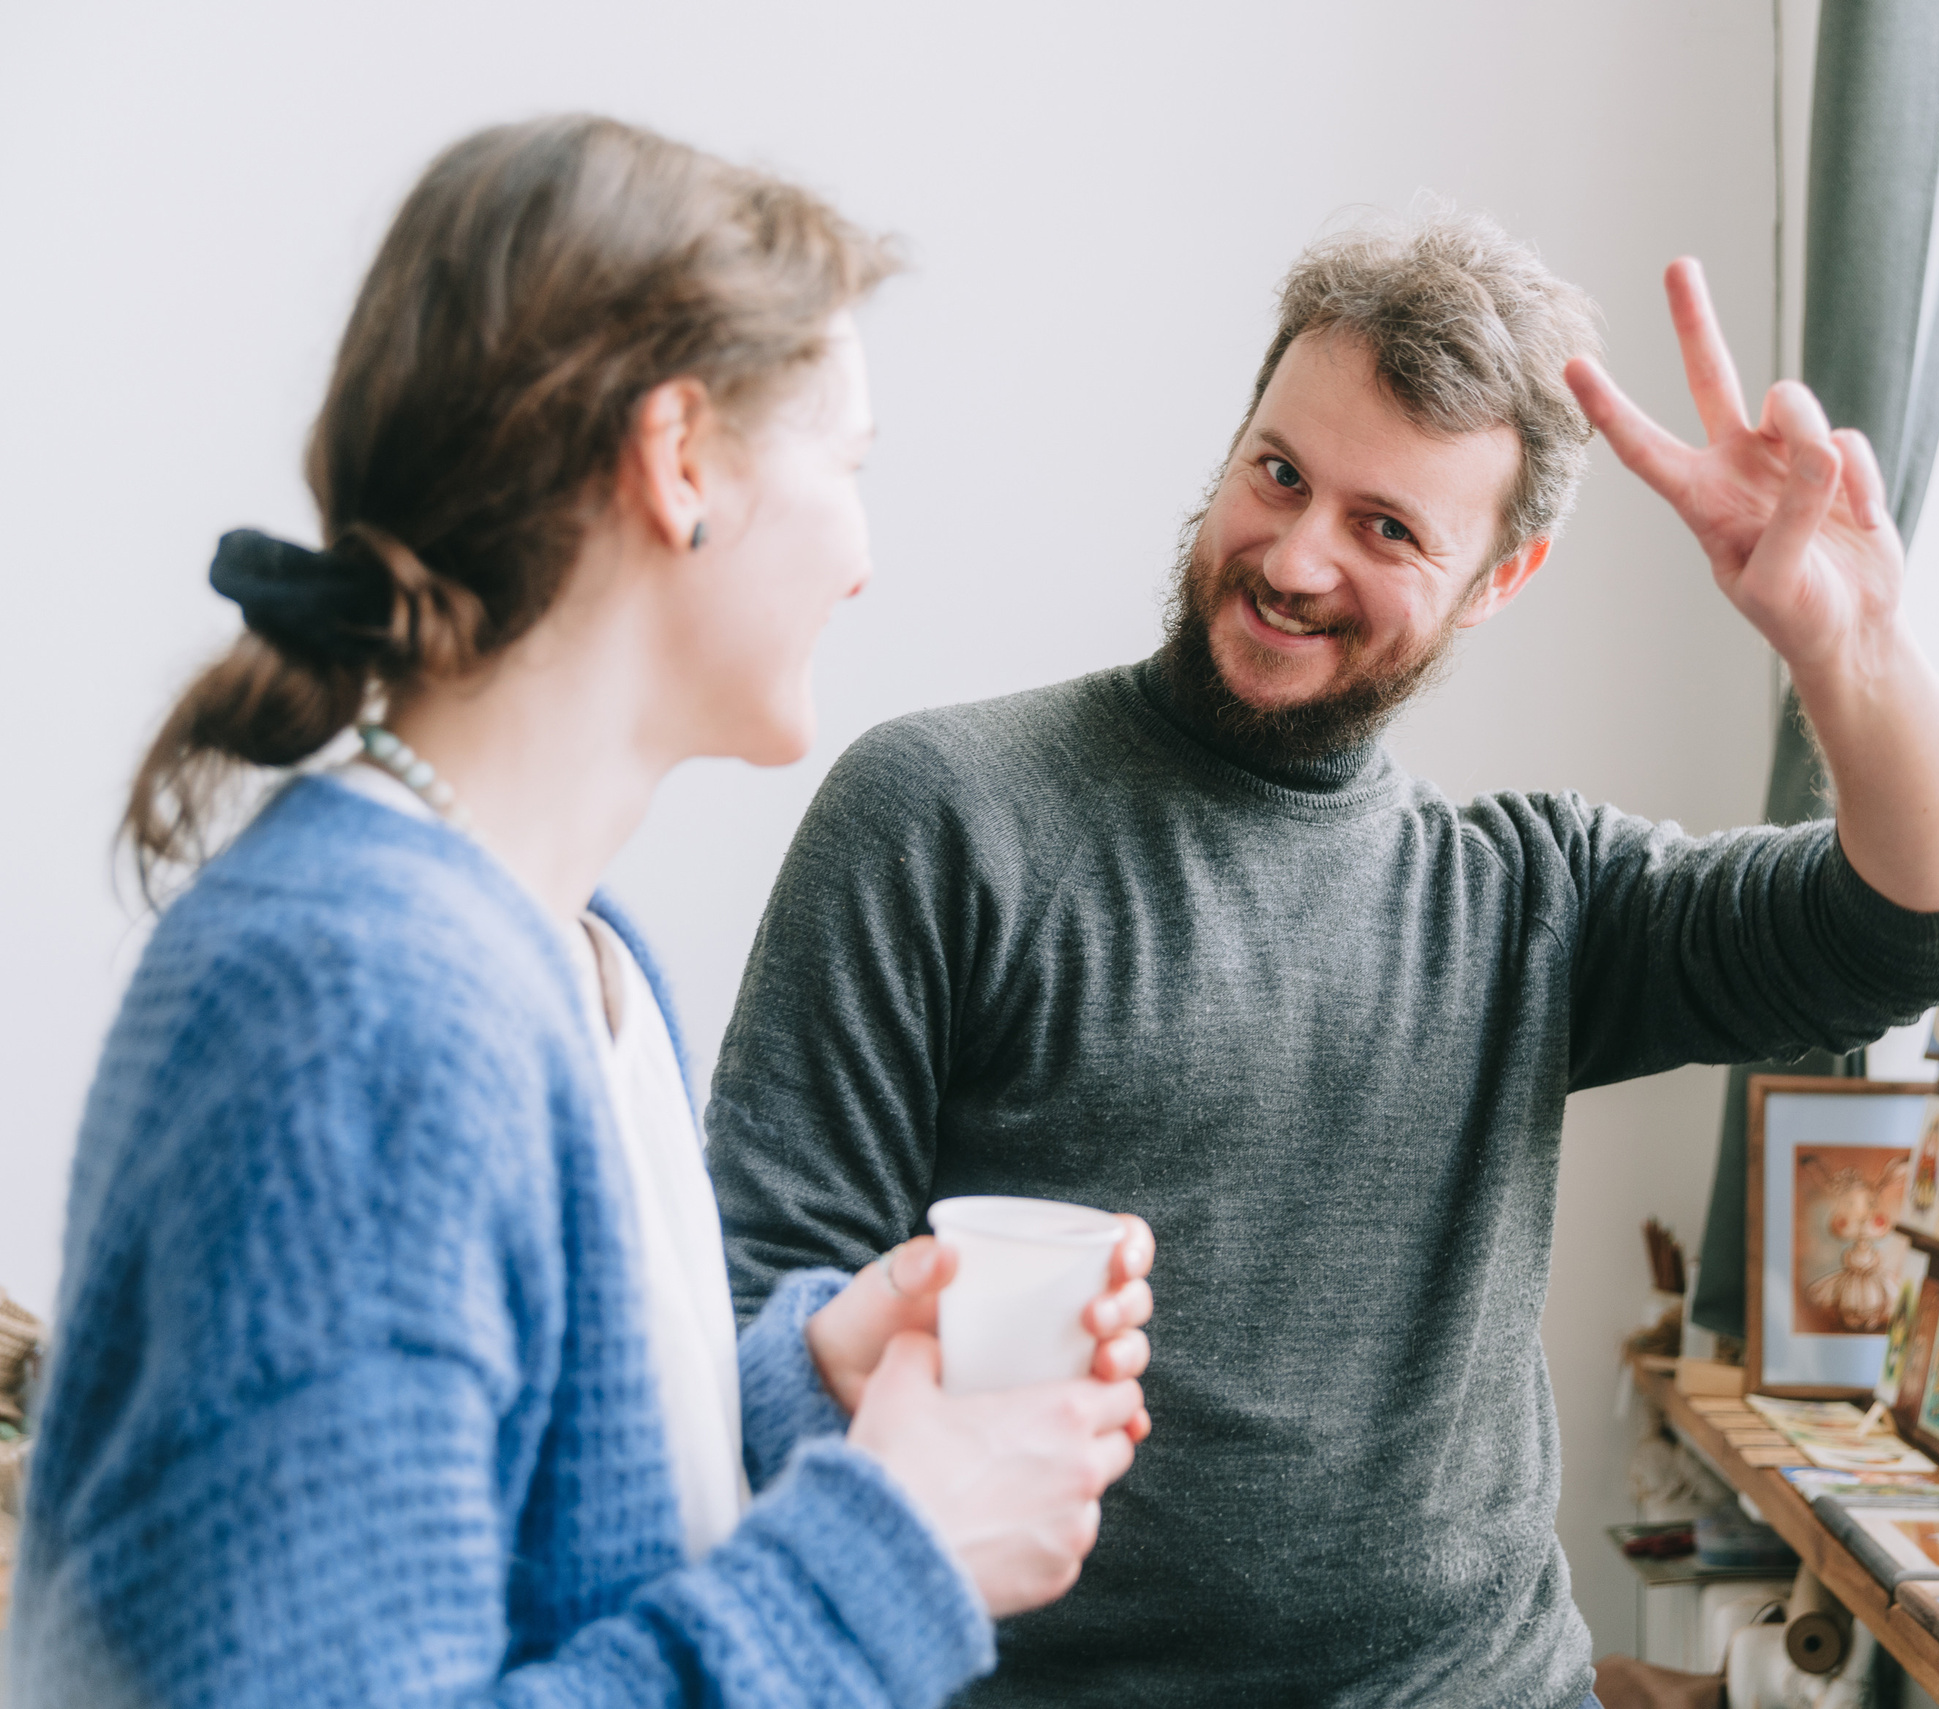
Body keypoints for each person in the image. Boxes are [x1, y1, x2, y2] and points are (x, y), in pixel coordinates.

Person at [705, 214, 1939, 1707]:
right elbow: (761, 1296)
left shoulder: (1531, 897)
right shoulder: (939, 809)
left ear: (1497, 581)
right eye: (1278, 473)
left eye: (1388, 528)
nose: (1294, 556)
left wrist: (1851, 655)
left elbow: (1932, 923)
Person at [15, 116, 1158, 1708]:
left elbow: (546, 1527)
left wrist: (805, 1390)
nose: (865, 555)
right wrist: (893, 1549)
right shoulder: (358, 1003)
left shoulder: (572, 955)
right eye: (849, 463)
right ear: (681, 461)